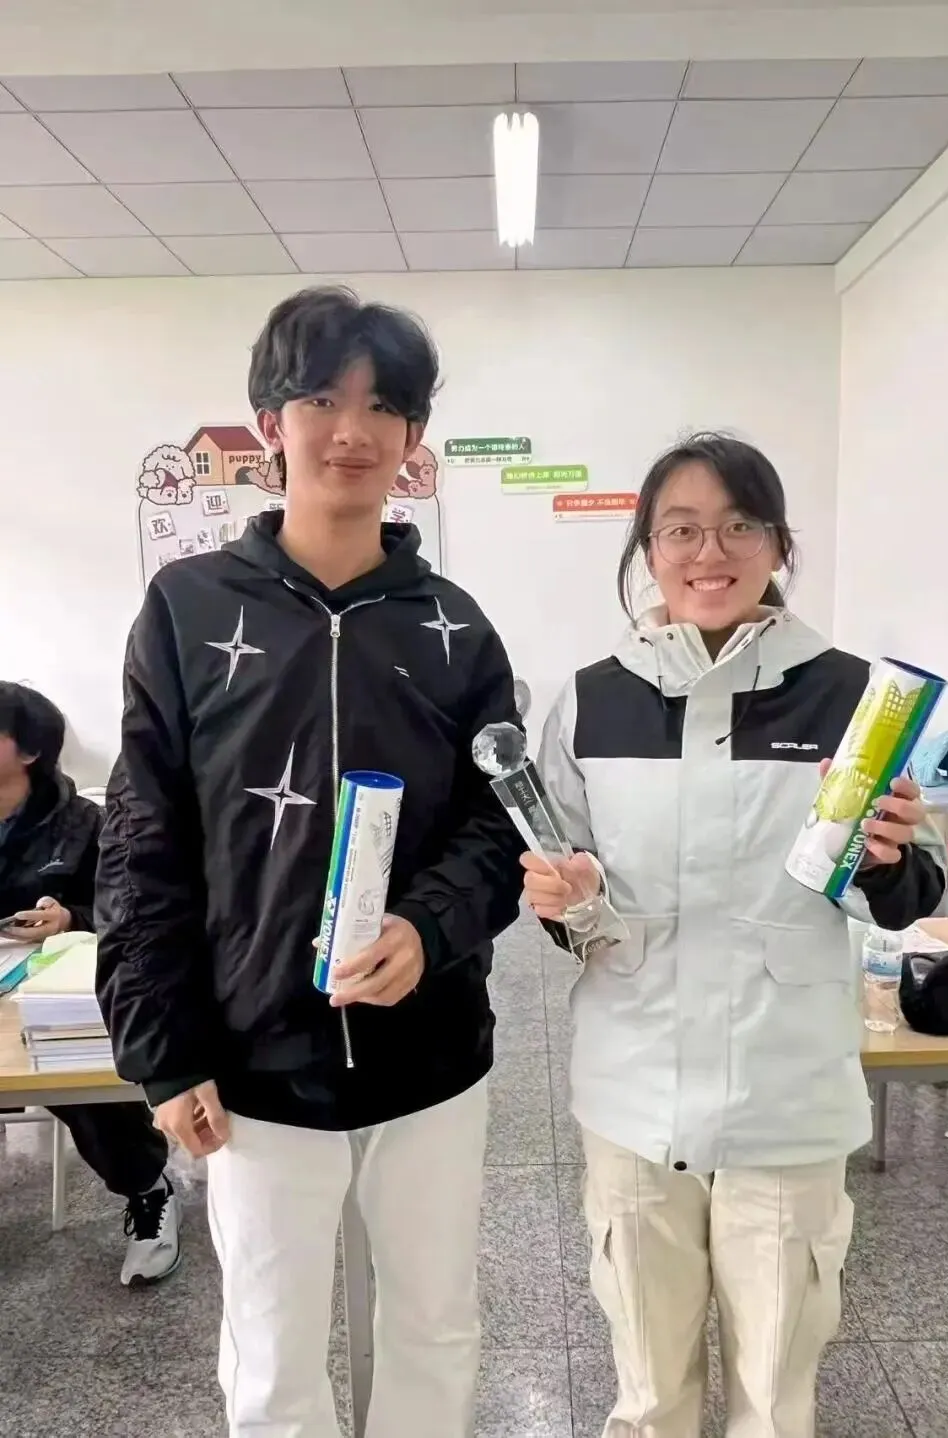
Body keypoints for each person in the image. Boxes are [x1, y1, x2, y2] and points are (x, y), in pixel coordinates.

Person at [95, 286, 524, 1438]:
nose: (352, 430)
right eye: (323, 399)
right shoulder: (187, 610)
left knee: (435, 1326)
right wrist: (162, 1050)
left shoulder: (455, 627)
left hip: (430, 1055)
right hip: (254, 1063)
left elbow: (500, 825)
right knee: (273, 1352)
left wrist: (428, 927)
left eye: (383, 406)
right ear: (269, 422)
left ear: (414, 436)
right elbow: (141, 839)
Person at [522, 433, 946, 1438]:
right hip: (633, 1092)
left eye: (739, 526)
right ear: (647, 548)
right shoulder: (592, 697)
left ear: (778, 543)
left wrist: (885, 858)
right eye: (681, 530)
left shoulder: (851, 694)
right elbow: (565, 889)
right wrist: (568, 898)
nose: (709, 553)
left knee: (774, 1396)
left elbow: (913, 892)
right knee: (648, 1393)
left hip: (783, 1095)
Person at [0, 682, 177, 1286]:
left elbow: (123, 912)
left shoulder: (83, 824)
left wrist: (68, 918)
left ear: (28, 751)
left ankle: (147, 1189)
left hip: (55, 991)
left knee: (84, 1082)